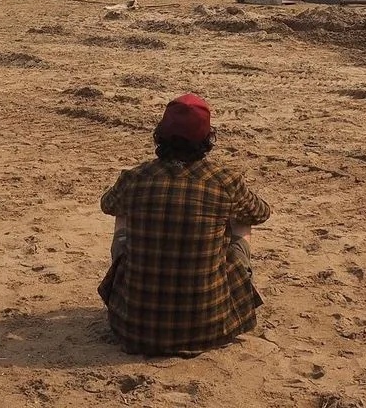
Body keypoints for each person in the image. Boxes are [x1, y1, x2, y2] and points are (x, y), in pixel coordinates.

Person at [97, 93, 271, 355]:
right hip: (209, 326)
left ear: (160, 135)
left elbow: (108, 205)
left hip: (133, 326)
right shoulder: (224, 181)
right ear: (206, 139)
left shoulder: (134, 178)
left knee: (122, 213)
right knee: (241, 222)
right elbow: (260, 213)